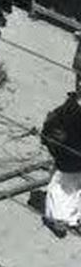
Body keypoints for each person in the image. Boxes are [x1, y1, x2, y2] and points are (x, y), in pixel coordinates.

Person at [43, 85, 81, 236]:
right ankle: (57, 218)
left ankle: (75, 218)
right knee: (61, 187)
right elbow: (52, 131)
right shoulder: (68, 109)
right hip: (68, 156)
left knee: (77, 189)